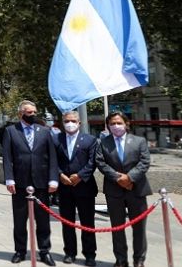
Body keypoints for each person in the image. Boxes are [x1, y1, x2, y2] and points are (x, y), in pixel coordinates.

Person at [2, 100, 59, 266]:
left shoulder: (45, 131)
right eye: (29, 112)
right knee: (20, 221)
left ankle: (44, 251)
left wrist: (53, 179)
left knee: (43, 221)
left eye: (34, 112)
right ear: (21, 113)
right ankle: (20, 251)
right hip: (20, 183)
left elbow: (52, 157)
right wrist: (9, 179)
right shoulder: (11, 131)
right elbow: (7, 157)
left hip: (41, 183)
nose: (33, 115)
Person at [96, 112, 152, 267]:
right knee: (117, 227)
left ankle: (139, 260)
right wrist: (118, 178)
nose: (116, 126)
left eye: (119, 123)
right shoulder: (103, 143)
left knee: (139, 228)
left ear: (126, 124)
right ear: (108, 126)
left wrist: (130, 178)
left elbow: (144, 162)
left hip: (137, 189)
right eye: (112, 123)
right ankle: (121, 260)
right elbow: (101, 163)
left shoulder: (139, 141)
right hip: (114, 191)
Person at [55, 110, 99, 266]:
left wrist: (80, 176)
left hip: (85, 187)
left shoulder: (90, 140)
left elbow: (92, 162)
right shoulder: (56, 139)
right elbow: (52, 160)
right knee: (67, 222)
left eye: (73, 121)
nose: (70, 124)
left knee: (87, 223)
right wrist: (60, 175)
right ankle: (70, 252)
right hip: (65, 187)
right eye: (67, 121)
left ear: (79, 123)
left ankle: (90, 255)